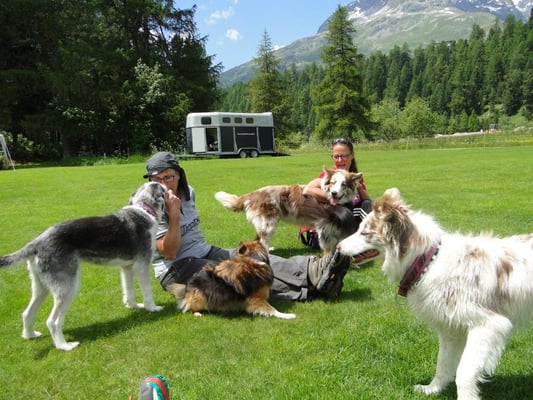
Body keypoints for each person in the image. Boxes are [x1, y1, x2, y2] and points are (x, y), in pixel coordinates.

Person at [143, 151, 351, 302]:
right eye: (156, 179)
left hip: (204, 250)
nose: (163, 184)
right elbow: (169, 252)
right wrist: (173, 215)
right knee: (239, 274)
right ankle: (309, 290)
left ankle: (313, 270)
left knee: (257, 257)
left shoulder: (188, 192)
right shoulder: (148, 204)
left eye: (168, 176)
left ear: (179, 175)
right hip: (176, 267)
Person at [300, 138, 372, 251]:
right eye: (336, 156)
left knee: (366, 204)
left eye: (343, 156)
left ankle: (366, 237)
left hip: (340, 226)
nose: (339, 160)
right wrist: (336, 198)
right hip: (320, 233)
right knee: (344, 207)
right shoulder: (330, 176)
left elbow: (367, 202)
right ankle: (360, 239)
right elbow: (307, 190)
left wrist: (355, 184)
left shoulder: (352, 177)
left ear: (352, 155)